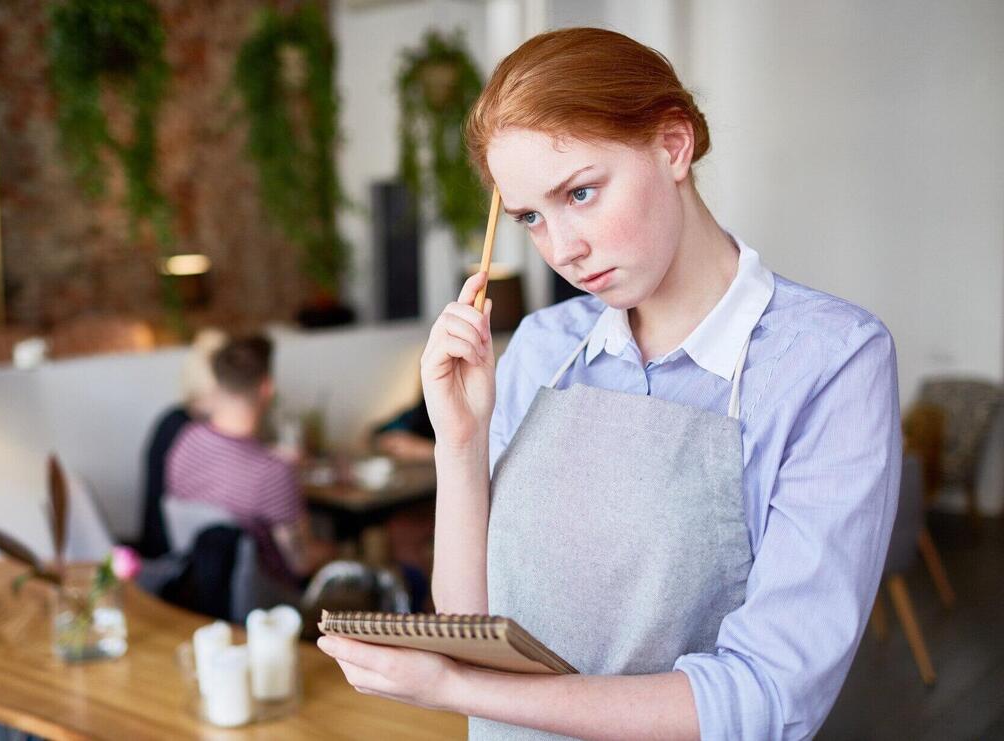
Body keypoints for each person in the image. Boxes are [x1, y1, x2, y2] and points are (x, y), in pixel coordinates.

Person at [317, 27, 901, 740]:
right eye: (531, 216)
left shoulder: (831, 361)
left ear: (674, 145)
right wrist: (458, 444)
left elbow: (765, 696)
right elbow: (470, 621)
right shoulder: (540, 348)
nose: (563, 250)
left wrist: (458, 687)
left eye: (582, 192)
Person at [165, 333, 331, 580]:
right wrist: (336, 551)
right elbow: (301, 563)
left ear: (217, 383)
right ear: (267, 388)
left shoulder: (186, 439)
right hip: (269, 600)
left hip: (196, 584)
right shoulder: (272, 472)